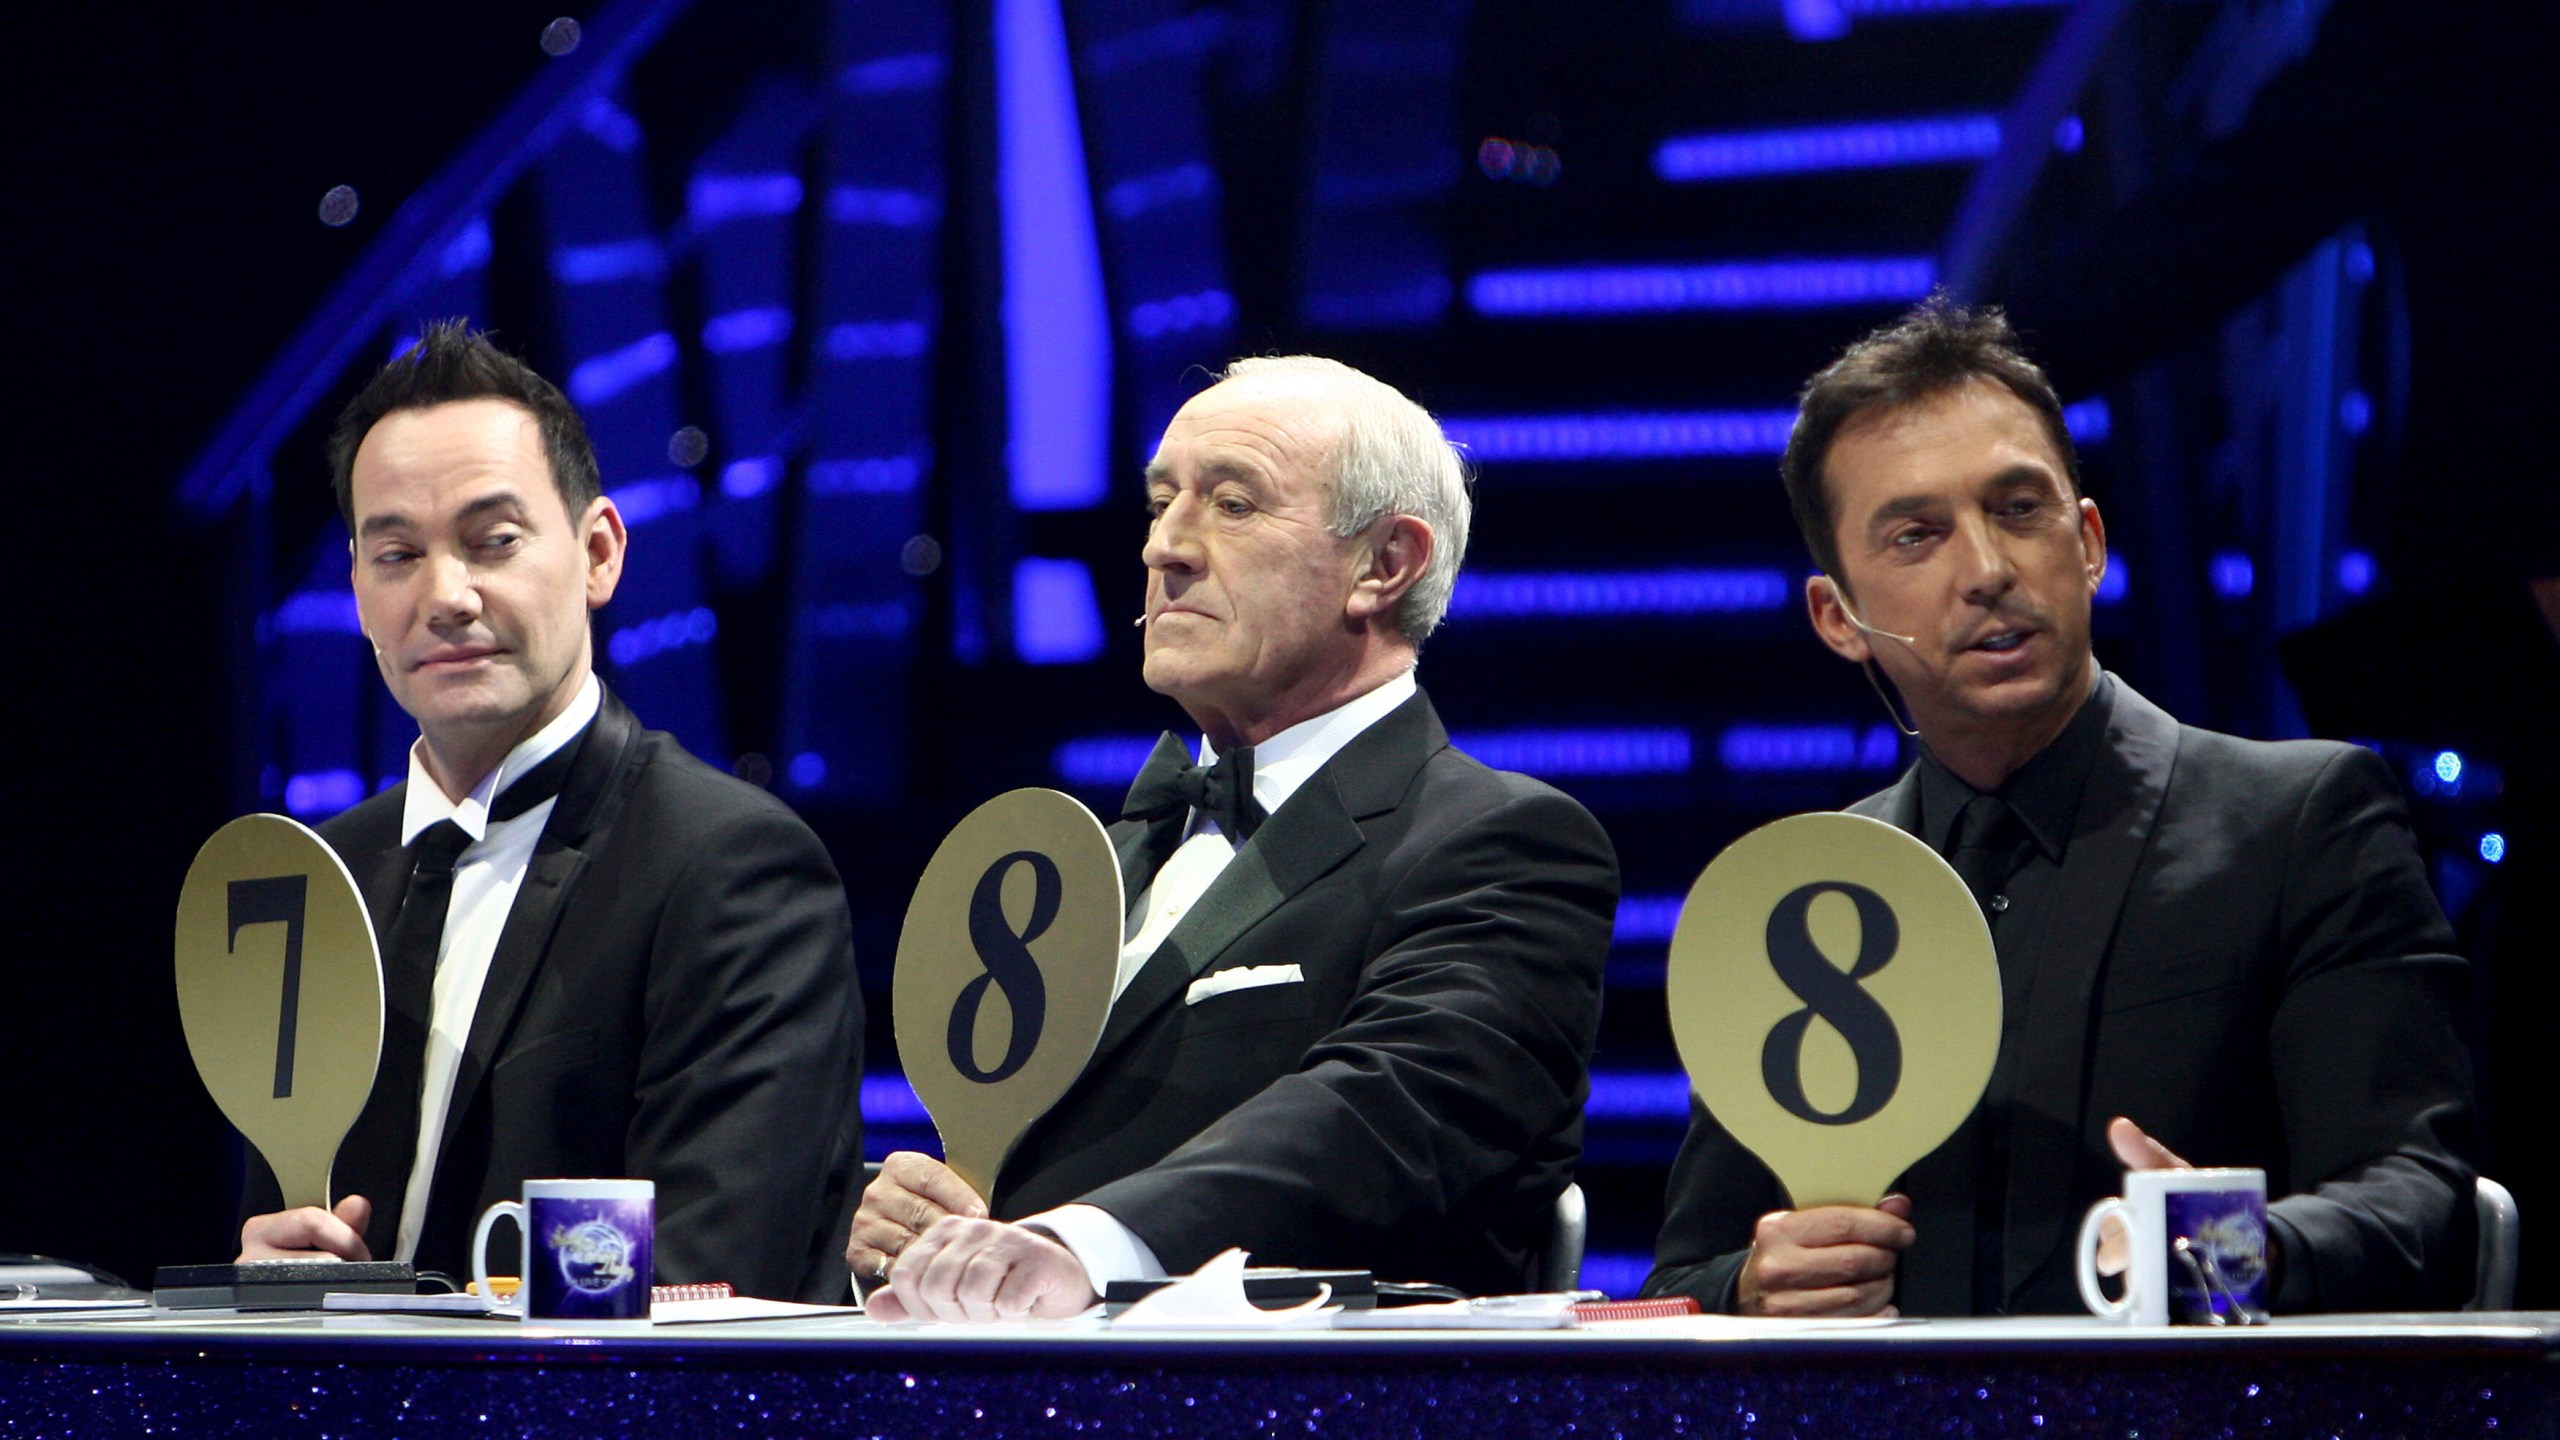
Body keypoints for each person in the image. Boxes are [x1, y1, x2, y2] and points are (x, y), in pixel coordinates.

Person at [1645, 299, 2478, 1317]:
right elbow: (1680, 1282)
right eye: (1916, 535)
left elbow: (2420, 1206)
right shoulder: (1807, 898)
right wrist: (1753, 1283)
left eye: (2018, 509)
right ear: (1839, 617)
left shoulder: (2301, 823)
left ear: (2087, 541)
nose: (1988, 571)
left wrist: (2217, 1250)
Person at [854, 355, 1618, 1322]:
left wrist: (1081, 1245)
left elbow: (1389, 1113)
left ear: (1384, 565)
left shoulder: (1505, 841)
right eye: (1159, 503)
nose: (1164, 548)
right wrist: (917, 1232)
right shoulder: (1103, 859)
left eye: (1233, 505)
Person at [234, 322, 864, 1302]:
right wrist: (272, 1289)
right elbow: (290, 1221)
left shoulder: (731, 866)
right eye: (396, 554)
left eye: (493, 541)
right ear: (356, 587)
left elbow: (710, 1286)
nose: (446, 596)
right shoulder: (323, 876)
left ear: (598, 552)